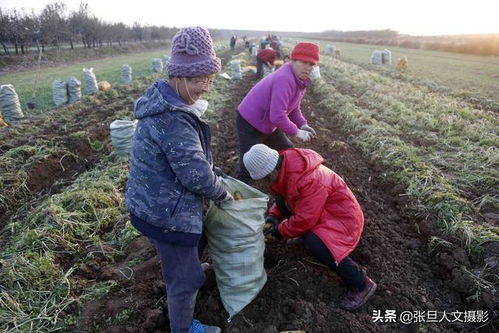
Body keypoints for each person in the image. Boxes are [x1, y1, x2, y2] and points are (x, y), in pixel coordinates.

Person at [126, 26, 233, 333]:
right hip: (165, 215)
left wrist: (214, 172)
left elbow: (187, 160)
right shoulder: (173, 118)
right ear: (182, 76)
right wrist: (222, 193)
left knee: (188, 255)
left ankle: (185, 269)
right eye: (204, 81)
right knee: (185, 281)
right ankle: (184, 328)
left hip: (153, 203)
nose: (208, 89)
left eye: (211, 80)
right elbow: (195, 173)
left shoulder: (165, 103)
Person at [243, 144, 377, 311]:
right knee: (281, 202)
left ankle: (361, 284)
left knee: (316, 243)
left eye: (265, 179)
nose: (264, 183)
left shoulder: (308, 179)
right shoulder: (286, 168)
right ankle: (305, 235)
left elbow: (305, 220)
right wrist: (273, 216)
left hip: (343, 218)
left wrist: (279, 231)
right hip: (321, 211)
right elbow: (285, 198)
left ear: (271, 172)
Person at [236, 42, 320, 182]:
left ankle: (285, 184)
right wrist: (297, 132)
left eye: (311, 64)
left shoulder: (300, 81)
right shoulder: (285, 78)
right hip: (250, 122)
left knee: (288, 151)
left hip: (268, 123)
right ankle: (237, 196)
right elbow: (277, 116)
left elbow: (293, 109)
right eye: (304, 62)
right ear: (293, 60)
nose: (308, 68)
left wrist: (303, 124)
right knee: (249, 165)